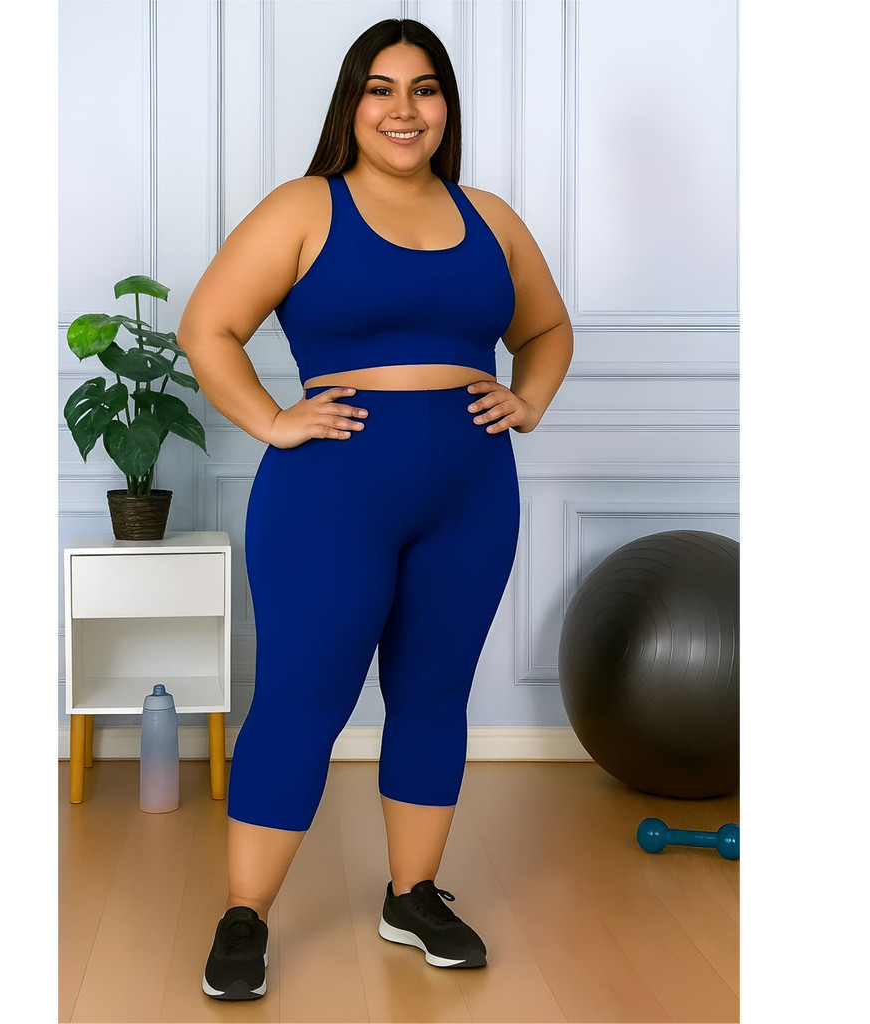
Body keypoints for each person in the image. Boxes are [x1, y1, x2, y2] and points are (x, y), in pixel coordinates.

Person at [177, 18, 573, 1002]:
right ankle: (245, 914)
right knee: (303, 696)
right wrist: (273, 420)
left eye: (424, 88)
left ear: (446, 107)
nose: (405, 109)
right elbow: (209, 327)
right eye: (381, 89)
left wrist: (528, 399)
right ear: (351, 106)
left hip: (471, 496)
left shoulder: (489, 217)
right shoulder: (306, 206)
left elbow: (547, 328)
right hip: (330, 496)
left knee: (434, 693)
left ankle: (413, 895)